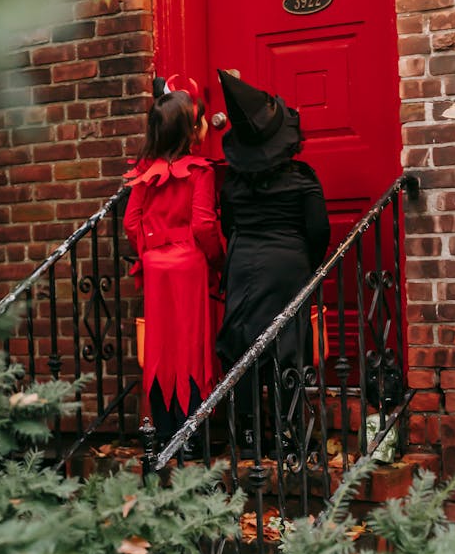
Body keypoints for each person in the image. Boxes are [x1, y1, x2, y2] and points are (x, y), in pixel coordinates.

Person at [215, 69, 330, 450]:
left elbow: (229, 224)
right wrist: (308, 265)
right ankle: (292, 434)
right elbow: (318, 231)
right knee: (288, 345)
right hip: (289, 264)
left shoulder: (231, 182)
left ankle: (247, 436)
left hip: (244, 262)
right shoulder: (303, 179)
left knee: (244, 344)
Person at [124, 89, 224, 449]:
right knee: (191, 343)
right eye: (200, 122)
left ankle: (165, 429)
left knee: (160, 344)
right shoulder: (200, 172)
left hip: (156, 267)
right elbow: (203, 225)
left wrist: (151, 251)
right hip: (190, 266)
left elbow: (131, 222)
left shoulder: (144, 173)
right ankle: (192, 435)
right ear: (190, 130)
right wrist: (216, 258)